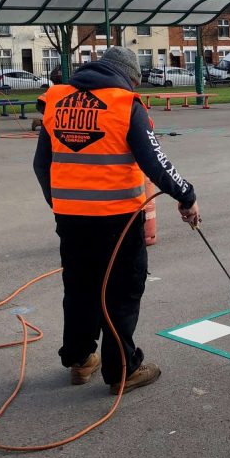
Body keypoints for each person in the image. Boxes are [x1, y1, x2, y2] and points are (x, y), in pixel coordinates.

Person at [33, 46, 200, 393]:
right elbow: (156, 163)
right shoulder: (125, 105)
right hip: (118, 220)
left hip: (71, 219)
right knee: (122, 292)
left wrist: (61, 203)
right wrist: (187, 196)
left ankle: (80, 361)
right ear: (128, 76)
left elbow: (41, 165)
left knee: (80, 289)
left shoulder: (57, 100)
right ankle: (122, 369)